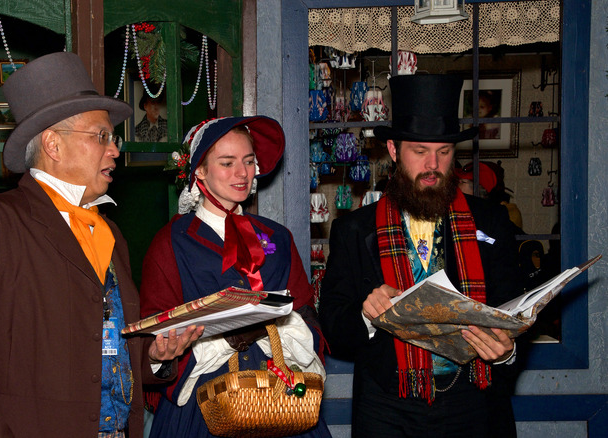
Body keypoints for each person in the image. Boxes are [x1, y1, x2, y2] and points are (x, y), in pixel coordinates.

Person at [0, 52, 202, 438]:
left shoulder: (111, 234)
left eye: (113, 138)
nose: (115, 150)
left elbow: (102, 345)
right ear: (53, 145)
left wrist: (153, 356)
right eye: (102, 136)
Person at [319, 74, 523, 438]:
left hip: (474, 401)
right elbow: (334, 328)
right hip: (387, 406)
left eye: (443, 153)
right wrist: (366, 314)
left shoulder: (492, 221)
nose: (433, 165)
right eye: (420, 152)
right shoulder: (353, 229)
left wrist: (506, 351)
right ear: (395, 151)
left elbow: (514, 311)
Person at [139, 116, 332, 437]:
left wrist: (280, 327)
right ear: (199, 170)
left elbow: (308, 316)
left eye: (249, 161)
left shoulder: (278, 237)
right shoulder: (171, 242)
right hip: (205, 406)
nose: (242, 173)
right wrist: (217, 339)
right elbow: (154, 337)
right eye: (227, 163)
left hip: (281, 399)